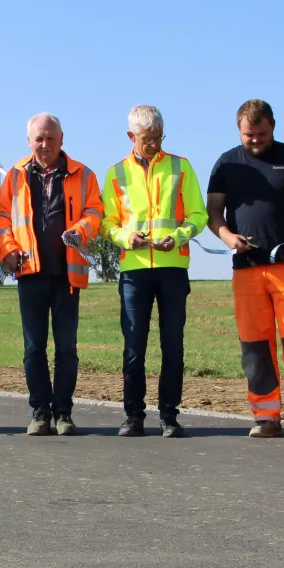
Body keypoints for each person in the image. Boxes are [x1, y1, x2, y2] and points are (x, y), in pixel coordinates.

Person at [206, 99, 284, 442]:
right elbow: (213, 212)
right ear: (239, 130)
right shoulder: (226, 163)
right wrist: (229, 237)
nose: (256, 140)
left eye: (261, 133)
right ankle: (266, 416)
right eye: (249, 135)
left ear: (273, 127)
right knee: (255, 346)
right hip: (247, 269)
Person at [0, 113, 104, 436]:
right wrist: (7, 249)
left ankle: (64, 412)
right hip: (29, 273)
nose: (44, 144)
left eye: (50, 138)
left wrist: (81, 230)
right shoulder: (14, 175)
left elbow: (95, 211)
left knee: (66, 347)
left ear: (62, 139)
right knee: (33, 348)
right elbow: (1, 217)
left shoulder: (84, 175)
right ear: (29, 141)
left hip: (67, 275)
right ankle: (40, 411)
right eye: (38, 139)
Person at [101, 104, 208, 438]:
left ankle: (169, 416)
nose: (154, 144)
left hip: (173, 267)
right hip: (133, 271)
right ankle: (133, 416)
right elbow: (107, 223)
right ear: (131, 136)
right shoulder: (116, 173)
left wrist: (176, 237)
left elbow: (198, 216)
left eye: (159, 137)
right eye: (147, 138)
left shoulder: (181, 167)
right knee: (134, 346)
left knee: (172, 345)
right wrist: (124, 236)